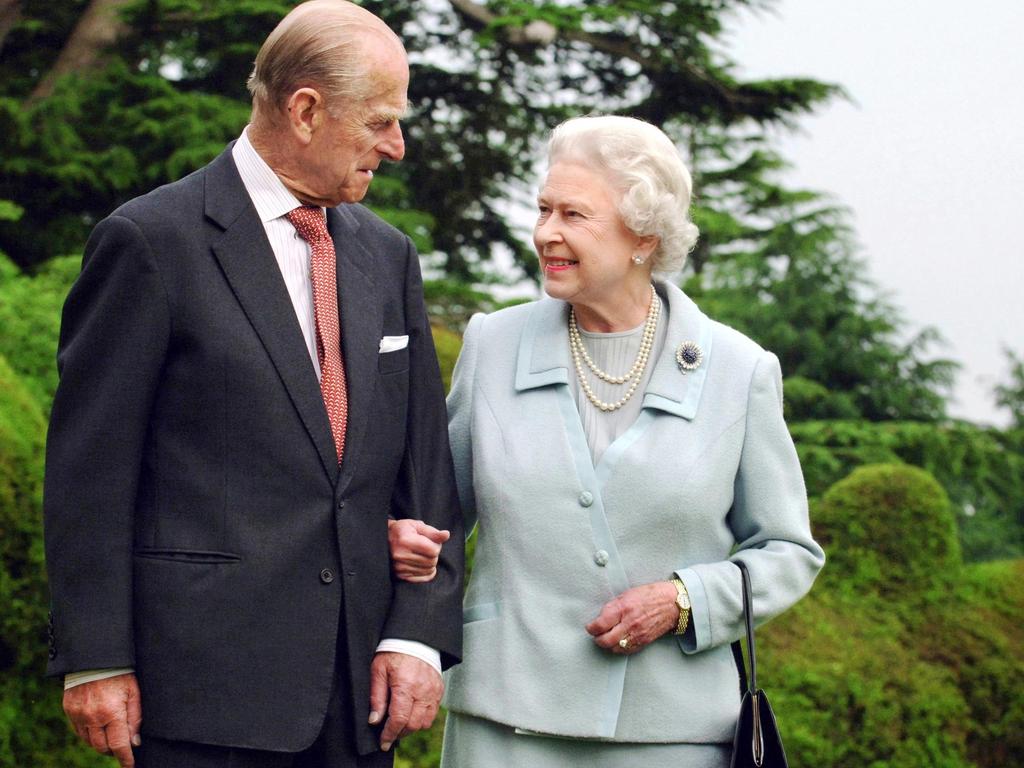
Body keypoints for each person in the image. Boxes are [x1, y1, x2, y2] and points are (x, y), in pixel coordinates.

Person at [42, 2, 463, 767]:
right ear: (306, 110)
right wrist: (96, 656)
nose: (396, 147)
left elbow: (425, 473)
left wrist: (417, 635)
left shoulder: (389, 256)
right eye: (380, 122)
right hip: (201, 695)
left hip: (361, 694)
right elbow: (88, 474)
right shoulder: (149, 242)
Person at [391, 115, 825, 767]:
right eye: (542, 210)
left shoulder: (738, 371)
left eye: (573, 215)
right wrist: (401, 540)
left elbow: (788, 551)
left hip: (672, 734)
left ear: (643, 237)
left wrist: (685, 600)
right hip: (504, 725)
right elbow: (435, 516)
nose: (545, 233)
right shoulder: (493, 344)